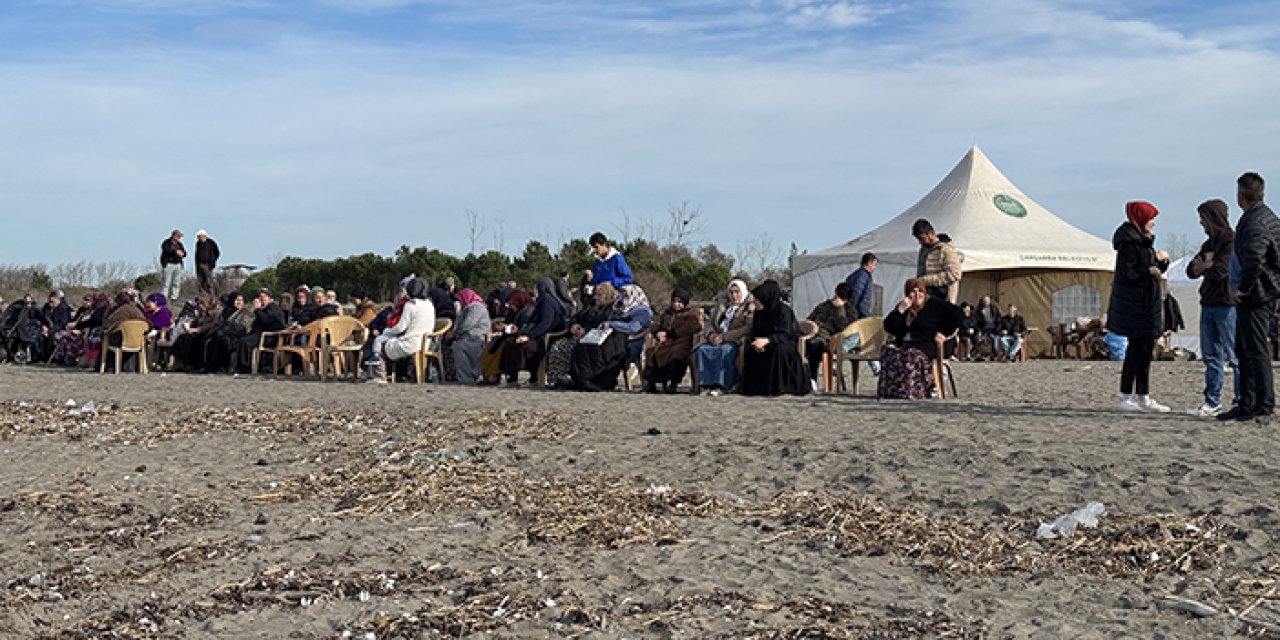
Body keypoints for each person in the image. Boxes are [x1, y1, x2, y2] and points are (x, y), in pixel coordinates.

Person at [1220, 172, 1280, 421]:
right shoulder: (1268, 218)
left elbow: (1255, 257)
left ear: (1241, 195)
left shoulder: (1254, 222)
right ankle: (1251, 401)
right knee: (1248, 349)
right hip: (1265, 290)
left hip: (1257, 294)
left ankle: (1259, 403)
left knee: (1252, 349)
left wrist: (1244, 288)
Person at [1107, 201, 1171, 412]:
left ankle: (1143, 396)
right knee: (1135, 351)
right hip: (1135, 306)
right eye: (1151, 218)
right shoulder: (1128, 243)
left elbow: (1151, 269)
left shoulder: (1143, 242)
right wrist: (1150, 269)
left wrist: (1161, 263)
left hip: (1147, 304)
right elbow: (1129, 273)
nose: (1153, 223)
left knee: (1145, 351)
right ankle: (1126, 396)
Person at [1185, 199, 1240, 417]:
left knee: (1235, 357)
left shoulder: (1231, 241)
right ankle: (1212, 401)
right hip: (1208, 303)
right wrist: (1204, 267)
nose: (1201, 223)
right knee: (1211, 356)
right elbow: (1191, 270)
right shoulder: (1208, 244)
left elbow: (1221, 271)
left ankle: (1240, 399)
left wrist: (1205, 267)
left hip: (1227, 305)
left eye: (1204, 218)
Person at [879, 278, 962, 399]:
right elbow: (889, 327)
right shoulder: (905, 307)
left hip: (932, 343)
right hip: (909, 343)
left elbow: (957, 314)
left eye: (921, 291)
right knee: (888, 351)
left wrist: (944, 333)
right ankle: (892, 389)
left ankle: (914, 389)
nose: (918, 295)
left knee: (911, 355)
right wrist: (899, 311)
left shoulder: (935, 304)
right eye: (913, 291)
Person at [567, 283, 650, 391]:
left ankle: (599, 382)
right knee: (581, 347)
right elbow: (607, 320)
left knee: (601, 350)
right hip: (610, 336)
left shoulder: (641, 311)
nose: (623, 298)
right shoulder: (620, 309)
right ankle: (583, 379)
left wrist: (613, 324)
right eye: (622, 295)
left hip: (629, 341)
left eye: (626, 295)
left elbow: (633, 327)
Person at [740, 280, 810, 396]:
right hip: (765, 341)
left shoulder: (784, 311)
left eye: (757, 299)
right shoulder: (759, 312)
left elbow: (785, 333)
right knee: (752, 351)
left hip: (785, 342)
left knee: (779, 350)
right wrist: (757, 342)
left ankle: (781, 387)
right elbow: (755, 331)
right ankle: (758, 389)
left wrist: (768, 340)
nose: (754, 302)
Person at [546, 282, 617, 387]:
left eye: (599, 295)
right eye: (595, 295)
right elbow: (576, 316)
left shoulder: (610, 310)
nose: (596, 298)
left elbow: (603, 325)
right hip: (580, 334)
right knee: (558, 345)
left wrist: (585, 330)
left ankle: (573, 376)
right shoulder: (591, 306)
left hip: (594, 338)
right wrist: (574, 325)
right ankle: (557, 377)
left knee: (566, 347)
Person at [500, 277, 568, 385]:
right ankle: (514, 376)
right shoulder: (543, 301)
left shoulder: (548, 301)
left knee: (521, 345)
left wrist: (529, 336)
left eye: (538, 287)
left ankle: (528, 376)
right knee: (510, 341)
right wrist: (521, 331)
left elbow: (545, 324)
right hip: (539, 334)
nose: (536, 290)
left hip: (546, 337)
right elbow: (534, 321)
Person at [368, 278, 435, 383]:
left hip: (410, 344)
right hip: (424, 343)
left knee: (380, 345)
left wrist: (386, 331)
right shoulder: (429, 304)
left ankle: (379, 376)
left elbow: (401, 327)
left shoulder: (410, 305)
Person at [693, 279, 753, 395]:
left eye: (737, 292)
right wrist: (711, 335)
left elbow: (747, 327)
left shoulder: (749, 307)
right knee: (702, 350)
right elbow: (709, 323)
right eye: (731, 292)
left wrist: (724, 337)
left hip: (732, 339)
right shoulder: (722, 306)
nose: (734, 295)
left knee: (724, 351)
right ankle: (705, 384)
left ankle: (721, 385)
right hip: (715, 337)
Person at [643, 288, 704, 393]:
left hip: (683, 342)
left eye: (680, 302)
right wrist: (657, 332)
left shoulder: (690, 315)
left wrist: (670, 333)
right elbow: (655, 325)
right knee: (651, 352)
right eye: (674, 301)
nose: (676, 305)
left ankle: (673, 383)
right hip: (665, 342)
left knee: (676, 353)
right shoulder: (667, 314)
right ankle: (651, 382)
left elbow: (690, 328)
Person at [805, 282, 854, 385]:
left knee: (815, 345)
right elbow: (809, 320)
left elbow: (845, 329)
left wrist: (840, 309)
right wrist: (812, 327)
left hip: (831, 341)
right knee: (808, 344)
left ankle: (812, 379)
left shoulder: (850, 310)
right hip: (814, 335)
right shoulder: (823, 306)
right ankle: (807, 378)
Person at [234, 289, 287, 373]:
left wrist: (257, 309)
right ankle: (239, 367)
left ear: (269, 298)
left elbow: (266, 320)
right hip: (261, 334)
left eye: (264, 297)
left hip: (270, 337)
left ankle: (245, 368)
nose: (261, 299)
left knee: (245, 342)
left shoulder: (273, 307)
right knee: (240, 339)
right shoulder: (265, 308)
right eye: (260, 297)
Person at [912, 219, 961, 303]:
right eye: (918, 239)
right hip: (926, 299)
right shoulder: (923, 251)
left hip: (943, 300)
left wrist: (925, 280)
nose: (920, 242)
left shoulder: (946, 250)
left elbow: (954, 274)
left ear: (931, 233)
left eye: (922, 238)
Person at [451, 288, 492, 384]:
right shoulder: (467, 308)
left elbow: (467, 325)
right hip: (468, 337)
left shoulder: (476, 308)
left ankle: (466, 377)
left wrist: (454, 334)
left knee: (458, 347)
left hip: (476, 338)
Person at [844, 252, 877, 319]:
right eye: (874, 264)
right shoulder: (863, 275)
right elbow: (856, 292)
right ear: (869, 263)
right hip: (859, 312)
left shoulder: (857, 274)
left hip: (856, 310)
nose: (874, 267)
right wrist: (853, 310)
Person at [159, 229, 186, 303]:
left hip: (178, 265)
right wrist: (175, 252)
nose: (179, 238)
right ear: (173, 235)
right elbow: (166, 250)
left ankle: (174, 298)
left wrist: (182, 253)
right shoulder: (166, 243)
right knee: (166, 283)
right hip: (169, 264)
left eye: (179, 236)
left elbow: (185, 253)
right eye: (178, 236)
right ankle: (163, 298)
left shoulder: (180, 244)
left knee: (176, 282)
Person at [194, 230, 220, 295]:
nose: (198, 238)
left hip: (208, 265)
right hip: (199, 265)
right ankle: (202, 296)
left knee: (209, 282)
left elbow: (217, 253)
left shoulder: (211, 243)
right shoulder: (198, 244)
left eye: (199, 236)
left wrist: (212, 261)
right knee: (200, 282)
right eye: (198, 237)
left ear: (204, 236)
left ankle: (211, 295)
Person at [975, 295, 1001, 360]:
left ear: (989, 301)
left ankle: (994, 354)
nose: (986, 302)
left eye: (987, 300)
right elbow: (977, 322)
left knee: (994, 339)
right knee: (980, 339)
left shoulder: (994, 308)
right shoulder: (979, 310)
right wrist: (979, 331)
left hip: (994, 329)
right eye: (984, 301)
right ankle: (980, 355)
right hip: (984, 329)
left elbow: (999, 319)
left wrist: (999, 329)